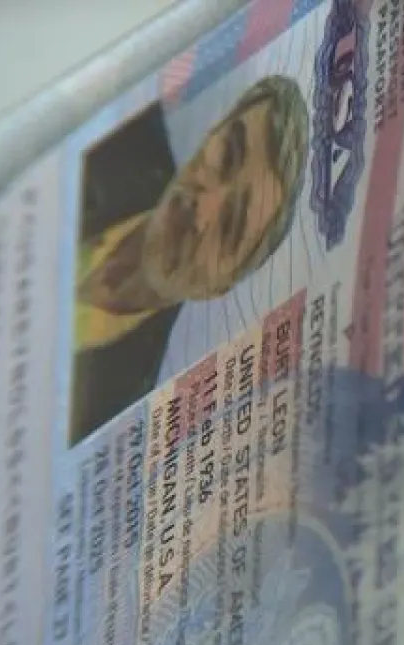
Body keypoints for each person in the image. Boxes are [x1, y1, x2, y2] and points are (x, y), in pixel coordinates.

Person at [71, 74, 309, 444]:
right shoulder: (117, 127)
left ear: (219, 287)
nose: (202, 208)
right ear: (213, 131)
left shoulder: (122, 412)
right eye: (226, 156)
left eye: (229, 227)